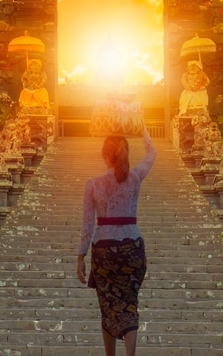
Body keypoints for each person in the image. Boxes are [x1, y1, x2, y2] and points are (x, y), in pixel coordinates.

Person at [76, 128, 157, 356]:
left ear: (104, 154)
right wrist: (142, 128)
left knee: (108, 305)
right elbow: (152, 153)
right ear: (126, 153)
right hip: (132, 247)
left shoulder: (93, 184)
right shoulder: (136, 177)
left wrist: (80, 257)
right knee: (129, 302)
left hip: (104, 251)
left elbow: (87, 225)